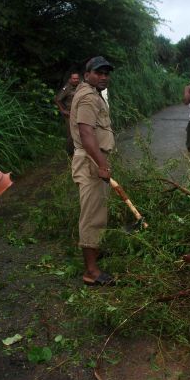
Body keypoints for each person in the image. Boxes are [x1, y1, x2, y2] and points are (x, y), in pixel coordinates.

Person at [70, 56, 116, 286]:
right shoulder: (88, 96)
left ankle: (94, 254)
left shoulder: (92, 93)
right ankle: (91, 271)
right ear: (87, 74)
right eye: (99, 73)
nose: (104, 77)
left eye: (106, 73)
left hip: (94, 160)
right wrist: (101, 164)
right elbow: (86, 134)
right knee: (92, 215)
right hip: (91, 162)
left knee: (97, 210)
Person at [54, 72, 81, 155]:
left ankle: (78, 151)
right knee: (71, 134)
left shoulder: (80, 86)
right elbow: (57, 99)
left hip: (79, 113)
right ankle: (70, 153)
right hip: (69, 114)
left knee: (80, 132)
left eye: (77, 78)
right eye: (74, 78)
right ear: (70, 79)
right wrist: (63, 110)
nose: (76, 80)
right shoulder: (67, 88)